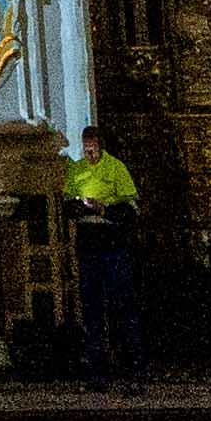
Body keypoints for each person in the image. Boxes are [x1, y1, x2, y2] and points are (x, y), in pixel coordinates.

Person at [61, 130, 149, 380]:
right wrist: (79, 207)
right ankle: (97, 370)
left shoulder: (116, 169)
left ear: (101, 147)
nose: (89, 154)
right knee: (92, 311)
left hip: (113, 248)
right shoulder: (76, 170)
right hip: (89, 248)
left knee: (122, 308)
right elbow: (68, 203)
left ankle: (134, 367)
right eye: (86, 149)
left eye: (93, 149)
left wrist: (104, 209)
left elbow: (130, 211)